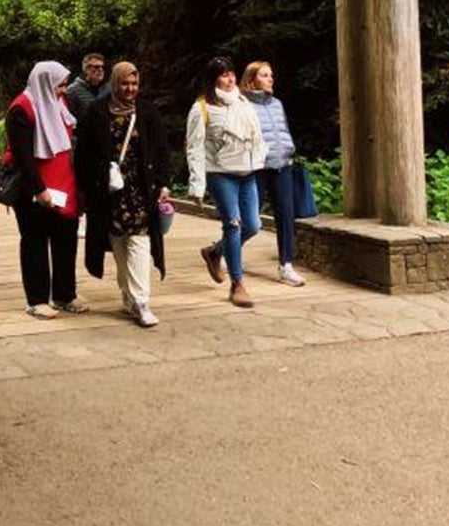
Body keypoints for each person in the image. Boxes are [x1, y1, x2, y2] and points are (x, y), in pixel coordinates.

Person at [74, 59, 173, 327]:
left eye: (134, 83)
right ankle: (129, 297)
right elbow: (81, 155)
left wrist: (163, 183)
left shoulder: (147, 112)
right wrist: (84, 189)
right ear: (115, 84)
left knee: (140, 242)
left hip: (142, 191)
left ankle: (142, 302)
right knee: (118, 244)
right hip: (109, 193)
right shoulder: (96, 113)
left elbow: (162, 150)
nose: (130, 88)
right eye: (125, 83)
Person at [3, 59, 84, 316]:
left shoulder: (58, 104)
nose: (63, 90)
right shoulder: (22, 108)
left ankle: (64, 294)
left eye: (64, 85)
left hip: (65, 184)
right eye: (59, 85)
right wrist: (39, 190)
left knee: (66, 239)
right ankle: (37, 299)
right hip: (34, 189)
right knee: (35, 240)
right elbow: (23, 156)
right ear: (45, 83)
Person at [185, 54, 266, 308]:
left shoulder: (243, 102)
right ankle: (237, 283)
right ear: (213, 79)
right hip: (221, 174)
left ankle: (215, 252)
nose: (230, 79)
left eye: (231, 73)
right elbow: (194, 148)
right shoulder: (202, 108)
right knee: (233, 225)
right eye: (223, 74)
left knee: (252, 226)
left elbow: (257, 137)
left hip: (248, 173)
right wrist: (197, 186)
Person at [243, 60, 306, 286]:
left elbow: (284, 130)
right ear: (251, 80)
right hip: (258, 167)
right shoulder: (243, 105)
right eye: (264, 75)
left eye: (271, 75)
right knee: (250, 219)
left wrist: (290, 151)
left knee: (286, 216)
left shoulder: (277, 103)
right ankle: (222, 250)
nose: (271, 78)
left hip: (282, 166)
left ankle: (286, 266)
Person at [62, 50, 108, 122]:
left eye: (102, 67)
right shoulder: (73, 91)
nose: (100, 70)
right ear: (86, 69)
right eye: (96, 67)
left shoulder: (104, 89)